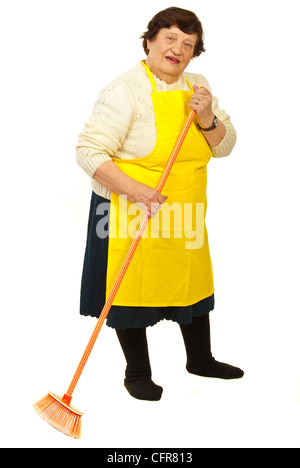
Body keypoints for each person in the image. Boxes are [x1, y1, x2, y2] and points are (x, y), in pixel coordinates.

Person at [76, 7, 244, 402]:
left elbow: (225, 146)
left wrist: (206, 117)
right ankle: (136, 372)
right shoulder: (125, 89)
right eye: (170, 38)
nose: (178, 49)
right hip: (125, 210)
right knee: (129, 288)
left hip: (182, 209)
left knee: (191, 280)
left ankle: (200, 359)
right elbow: (88, 152)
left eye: (188, 44)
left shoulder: (198, 86)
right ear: (149, 40)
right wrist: (136, 191)